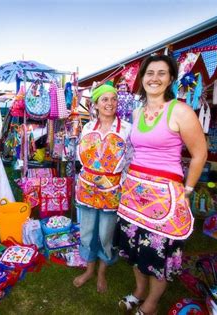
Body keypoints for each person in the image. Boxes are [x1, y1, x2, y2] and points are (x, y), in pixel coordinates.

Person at [116, 54, 207, 315]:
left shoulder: (180, 110)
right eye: (149, 73)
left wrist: (187, 191)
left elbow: (200, 153)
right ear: (142, 78)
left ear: (170, 79)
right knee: (134, 248)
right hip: (134, 192)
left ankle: (151, 303)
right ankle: (139, 291)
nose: (154, 78)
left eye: (161, 73)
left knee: (158, 254)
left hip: (165, 195)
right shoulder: (136, 112)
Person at [73, 82, 132, 293]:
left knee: (106, 233)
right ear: (95, 104)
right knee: (87, 231)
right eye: (104, 99)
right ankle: (89, 270)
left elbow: (131, 159)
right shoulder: (88, 128)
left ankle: (101, 273)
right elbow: (83, 157)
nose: (110, 103)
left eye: (113, 99)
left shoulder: (126, 129)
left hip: (112, 190)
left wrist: (120, 181)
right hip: (88, 188)